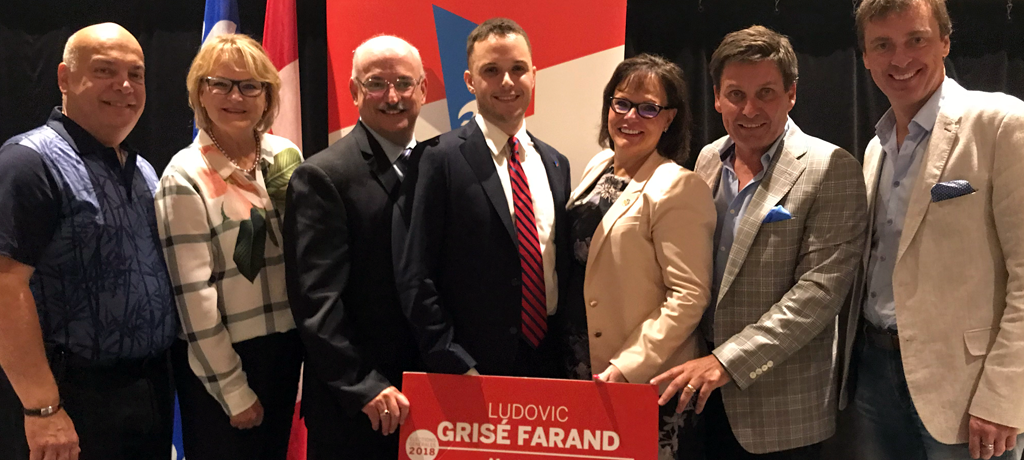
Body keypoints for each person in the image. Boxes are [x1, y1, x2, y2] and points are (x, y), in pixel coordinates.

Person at [652, 25, 868, 459]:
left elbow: (817, 296)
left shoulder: (830, 168)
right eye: (735, 94)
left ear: (791, 94)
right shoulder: (708, 159)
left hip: (780, 409)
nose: (749, 109)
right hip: (700, 395)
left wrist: (726, 362)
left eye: (766, 93)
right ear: (716, 97)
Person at [836, 1, 1024, 459]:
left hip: (967, 391)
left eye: (915, 40)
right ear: (865, 55)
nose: (899, 59)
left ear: (944, 40)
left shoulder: (1002, 124)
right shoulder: (874, 151)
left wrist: (1005, 397)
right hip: (875, 375)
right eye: (883, 45)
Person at [0, 23, 178, 460]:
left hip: (148, 391)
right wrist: (43, 408)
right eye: (104, 71)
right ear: (64, 78)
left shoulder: (143, 171)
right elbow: (4, 287)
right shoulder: (29, 162)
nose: (124, 86)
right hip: (70, 399)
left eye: (136, 74)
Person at [394, 18, 574, 378]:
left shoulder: (557, 163)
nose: (507, 82)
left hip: (550, 361)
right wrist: (450, 358)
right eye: (491, 70)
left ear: (534, 75)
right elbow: (415, 272)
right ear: (469, 81)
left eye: (518, 69)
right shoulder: (437, 159)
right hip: (470, 368)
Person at [154, 34, 302, 460]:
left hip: (284, 348)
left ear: (268, 95)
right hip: (224, 359)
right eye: (220, 83)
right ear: (200, 91)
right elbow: (193, 299)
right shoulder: (184, 178)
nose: (235, 96)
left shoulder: (284, 155)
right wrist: (233, 389)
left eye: (250, 85)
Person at [282, 35, 426, 460]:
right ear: (353, 91)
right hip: (359, 407)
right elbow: (315, 301)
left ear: (423, 90)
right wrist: (363, 384)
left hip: (431, 398)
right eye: (376, 83)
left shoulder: (439, 166)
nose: (393, 96)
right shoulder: (322, 176)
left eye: (404, 82)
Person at [565, 53, 715, 460]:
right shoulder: (599, 167)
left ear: (669, 118)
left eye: (648, 107)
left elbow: (688, 296)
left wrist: (628, 365)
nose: (631, 117)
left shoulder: (679, 188)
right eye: (622, 103)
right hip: (583, 365)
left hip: (642, 378)